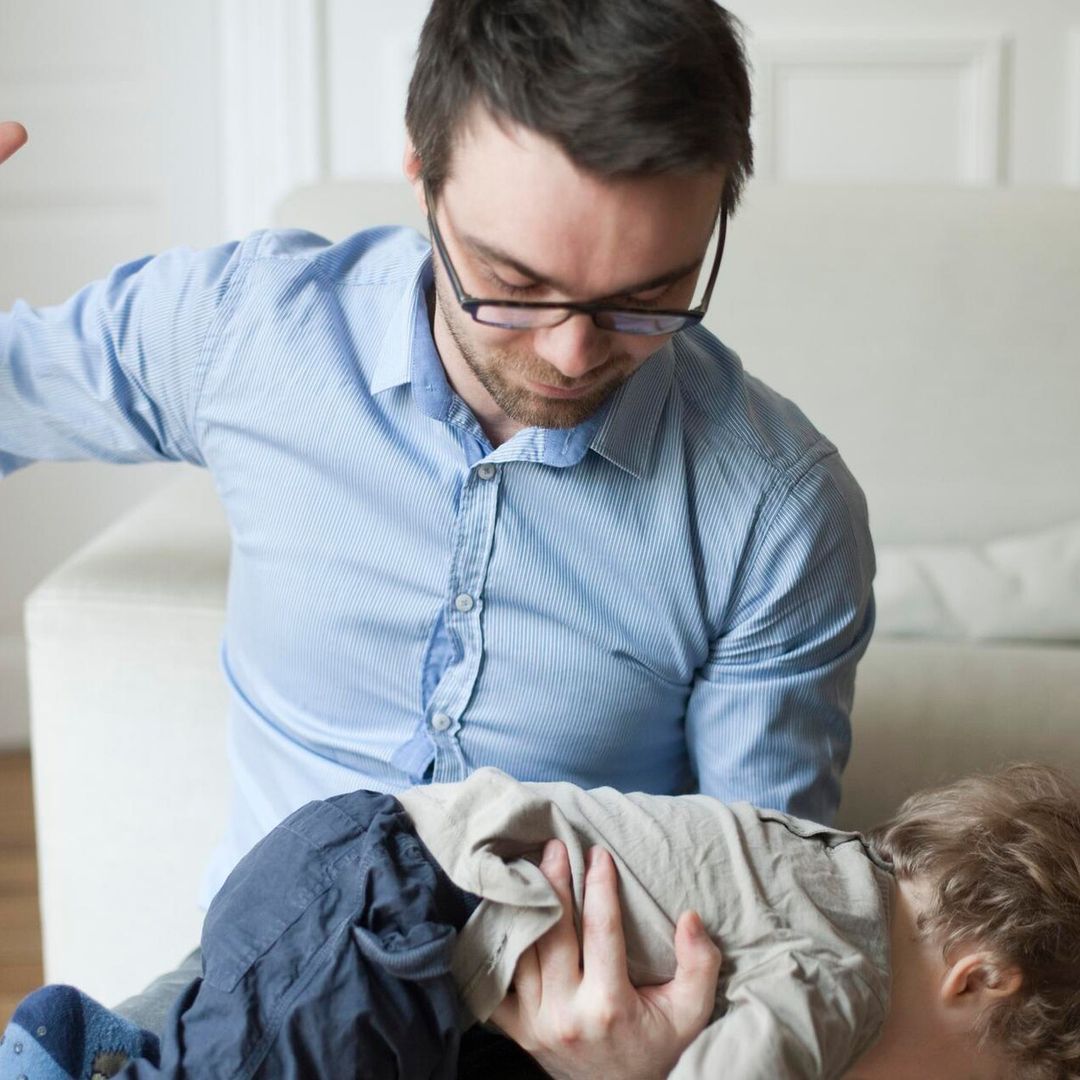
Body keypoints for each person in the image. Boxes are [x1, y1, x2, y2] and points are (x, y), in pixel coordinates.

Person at [0, 0, 874, 1071]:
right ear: (421, 172)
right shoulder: (247, 332)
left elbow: (766, 900)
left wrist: (631, 1064)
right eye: (513, 285)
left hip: (561, 1030)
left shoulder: (779, 512)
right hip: (260, 987)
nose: (569, 351)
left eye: (649, 297)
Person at [5, 762, 1079, 1079]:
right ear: (979, 980)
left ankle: (119, 1058)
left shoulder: (835, 866)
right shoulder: (842, 977)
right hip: (394, 914)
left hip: (359, 875)